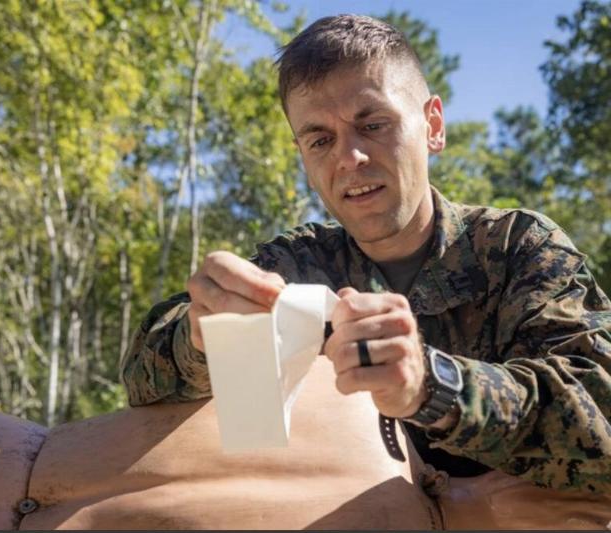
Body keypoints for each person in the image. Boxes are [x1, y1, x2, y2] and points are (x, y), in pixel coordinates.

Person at [120, 14, 611, 493]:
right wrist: (202, 336)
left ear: (432, 126)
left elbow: (601, 414)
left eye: (373, 124)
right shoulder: (297, 267)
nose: (348, 158)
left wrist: (432, 386)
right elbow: (142, 381)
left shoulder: (517, 248)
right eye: (319, 139)